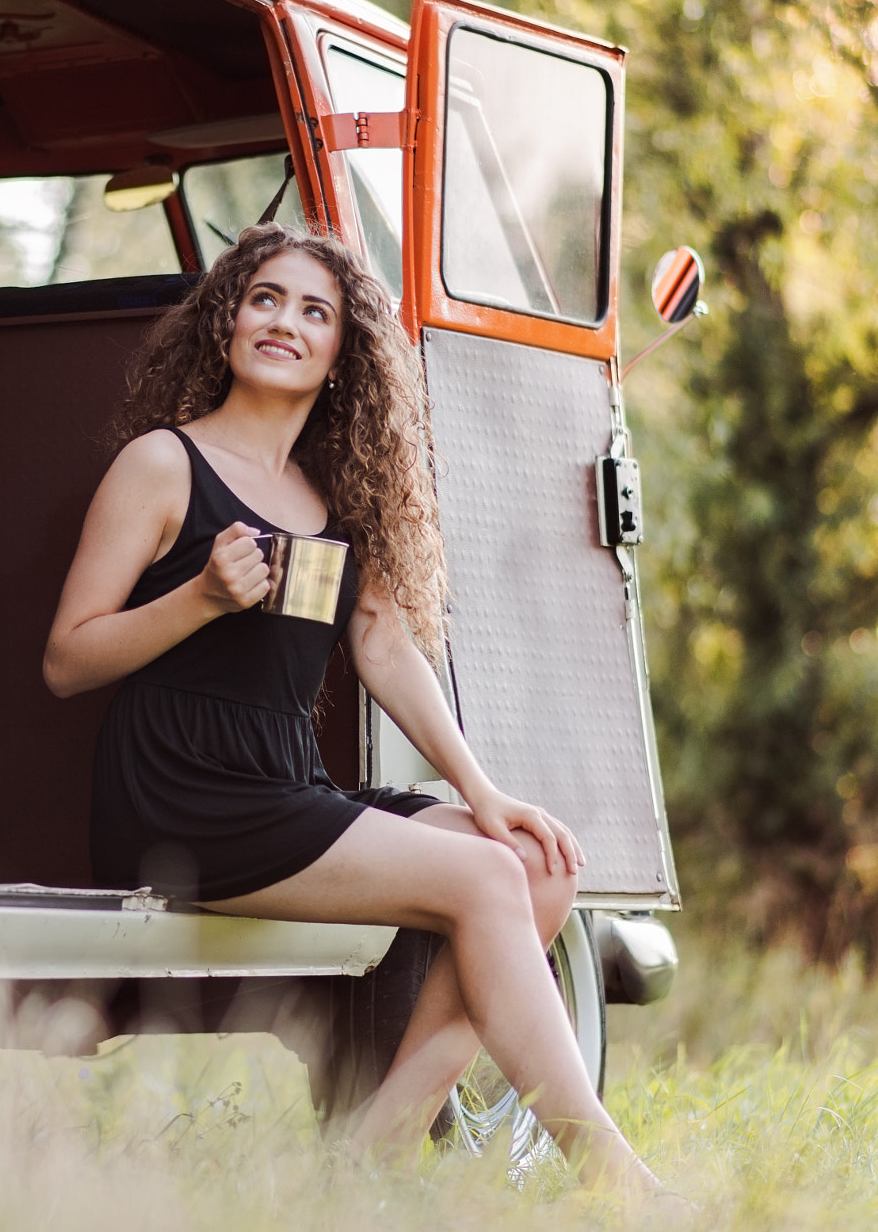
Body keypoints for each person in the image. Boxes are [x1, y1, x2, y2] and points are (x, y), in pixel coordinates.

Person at [43, 224, 658, 1190]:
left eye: (314, 310)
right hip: (181, 794)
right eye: (265, 299)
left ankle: (367, 1155)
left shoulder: (330, 495)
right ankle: (611, 1174)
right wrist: (197, 597)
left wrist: (481, 792)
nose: (284, 321)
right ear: (227, 321)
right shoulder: (163, 466)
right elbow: (68, 659)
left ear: (343, 353)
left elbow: (381, 645)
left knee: (532, 864)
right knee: (486, 886)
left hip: (284, 786)